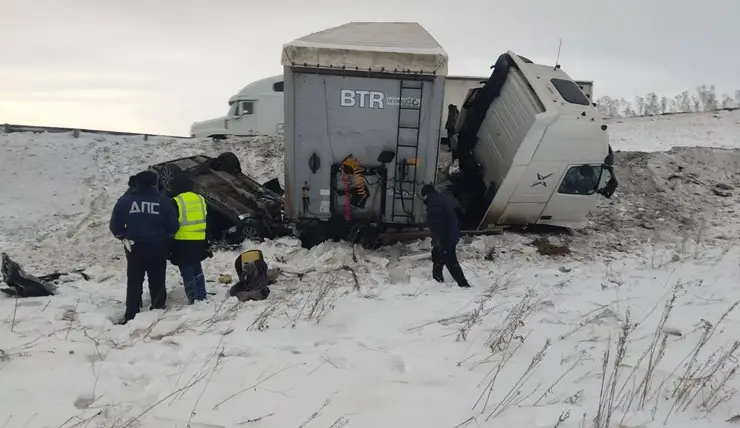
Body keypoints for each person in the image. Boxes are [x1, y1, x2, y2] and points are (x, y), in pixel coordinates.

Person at [109, 170, 179, 323]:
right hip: (158, 247)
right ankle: (158, 310)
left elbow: (115, 226)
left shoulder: (125, 201)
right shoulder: (164, 202)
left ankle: (131, 314)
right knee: (158, 279)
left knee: (134, 281)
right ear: (154, 184)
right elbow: (173, 227)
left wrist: (123, 236)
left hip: (135, 248)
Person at [169, 175, 211, 304]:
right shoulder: (200, 199)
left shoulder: (176, 201)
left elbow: (172, 223)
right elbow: (207, 218)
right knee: (197, 267)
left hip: (183, 240)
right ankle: (202, 295)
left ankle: (193, 297)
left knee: (187, 269)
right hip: (199, 238)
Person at [420, 184, 470, 288]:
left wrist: (439, 239)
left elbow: (438, 223)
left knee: (450, 259)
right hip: (450, 233)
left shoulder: (434, 204)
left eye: (423, 196)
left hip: (446, 236)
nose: (423, 199)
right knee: (437, 255)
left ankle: (463, 283)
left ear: (426, 195)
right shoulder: (440, 199)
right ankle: (437, 278)